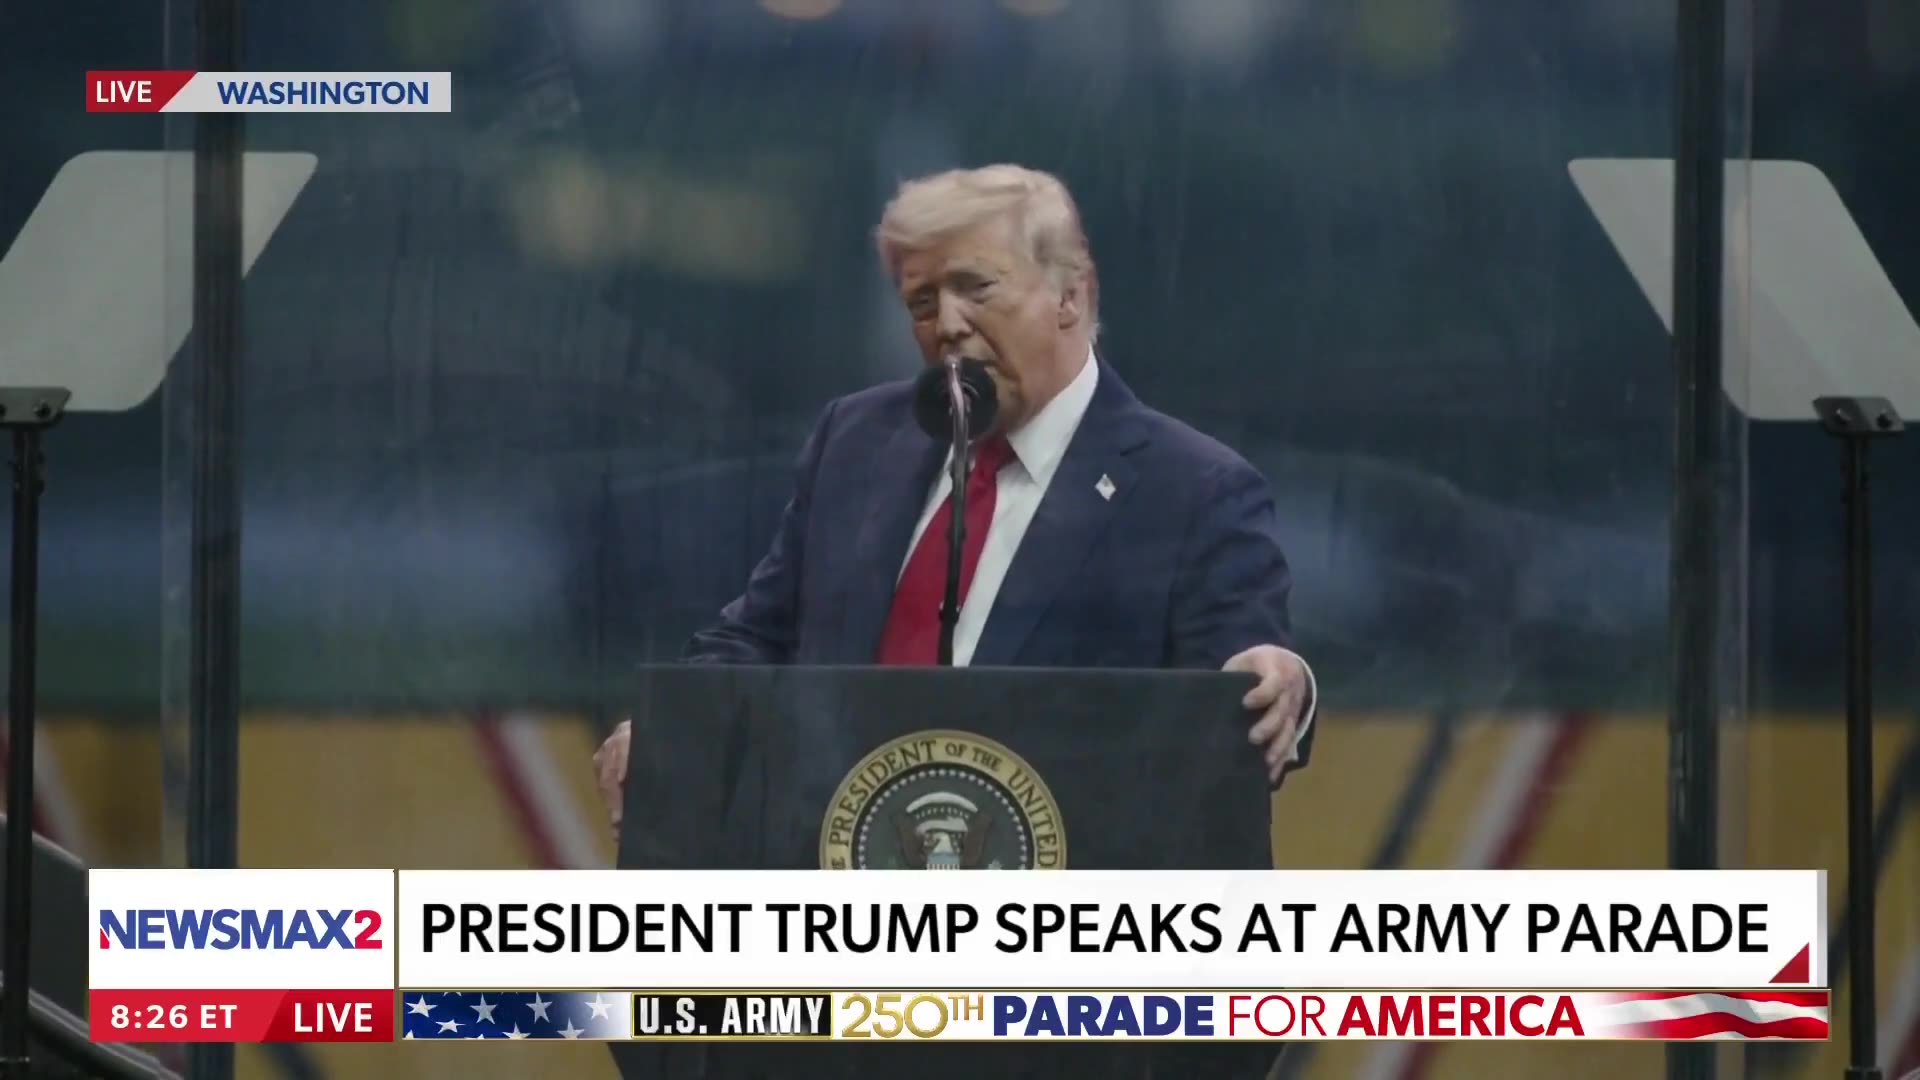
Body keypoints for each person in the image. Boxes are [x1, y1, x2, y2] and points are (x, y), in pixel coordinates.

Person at [594, 164, 1317, 833]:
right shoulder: (855, 441)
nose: (947, 325)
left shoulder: (1192, 488)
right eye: (921, 301)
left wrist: (1280, 683)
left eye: (976, 288)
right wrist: (677, 727)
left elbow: (1247, 670)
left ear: (1070, 294)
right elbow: (758, 639)